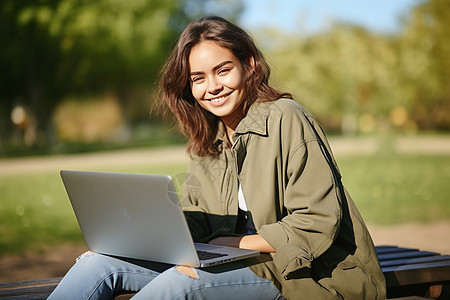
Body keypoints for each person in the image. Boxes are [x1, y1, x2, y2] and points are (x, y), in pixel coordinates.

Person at [48, 16, 386, 299]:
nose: (212, 87)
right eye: (198, 78)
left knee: (179, 285)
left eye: (222, 70)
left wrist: (233, 243)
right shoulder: (209, 139)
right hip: (230, 258)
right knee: (98, 264)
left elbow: (316, 221)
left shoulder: (286, 117)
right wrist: (128, 243)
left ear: (249, 65)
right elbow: (199, 222)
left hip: (303, 272)